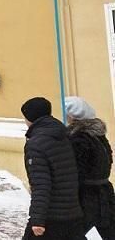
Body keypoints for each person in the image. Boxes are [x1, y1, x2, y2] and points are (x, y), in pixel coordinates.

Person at [21, 96, 82, 240]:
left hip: (51, 215)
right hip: (71, 211)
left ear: (31, 118)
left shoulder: (36, 144)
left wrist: (37, 219)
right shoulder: (62, 134)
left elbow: (41, 184)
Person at [65, 96, 115, 239]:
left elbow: (76, 169)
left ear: (72, 116)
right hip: (104, 192)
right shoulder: (98, 135)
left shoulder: (78, 139)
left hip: (87, 196)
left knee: (73, 233)